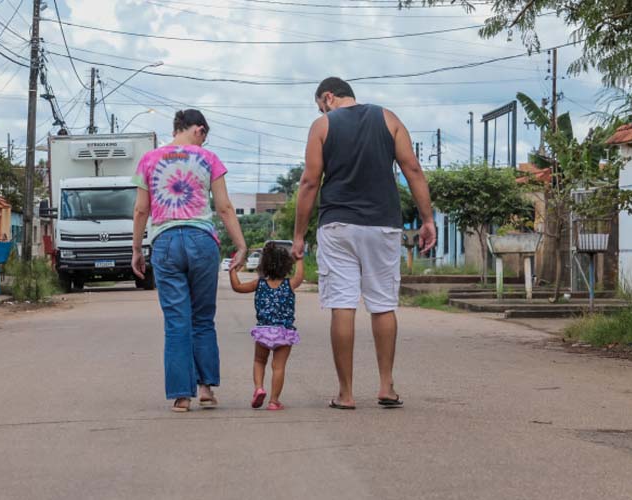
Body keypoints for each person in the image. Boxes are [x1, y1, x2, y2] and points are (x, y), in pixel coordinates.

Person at [292, 77, 436, 410]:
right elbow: (412, 168)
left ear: (328, 97)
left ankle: (346, 393)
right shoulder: (389, 119)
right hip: (382, 226)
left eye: (320, 105)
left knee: (343, 304)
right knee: (383, 305)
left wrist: (299, 234)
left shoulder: (322, 126)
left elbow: (310, 182)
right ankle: (386, 386)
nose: (320, 110)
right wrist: (427, 219)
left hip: (338, 226)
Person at [131, 109, 247, 413]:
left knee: (176, 321)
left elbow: (141, 209)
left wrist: (136, 249)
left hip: (166, 242)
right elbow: (223, 206)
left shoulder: (149, 159)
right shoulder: (208, 159)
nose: (204, 142)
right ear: (198, 129)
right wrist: (241, 245)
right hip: (202, 241)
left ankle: (182, 396)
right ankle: (206, 388)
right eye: (204, 135)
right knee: (202, 318)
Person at [230, 242, 304, 411]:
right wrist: (299, 258)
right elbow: (300, 275)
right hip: (284, 332)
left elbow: (237, 287)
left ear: (263, 265)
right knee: (278, 367)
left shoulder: (259, 284)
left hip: (264, 331)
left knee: (259, 361)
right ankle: (274, 401)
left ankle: (259, 388)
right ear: (287, 266)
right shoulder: (289, 284)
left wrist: (233, 269)